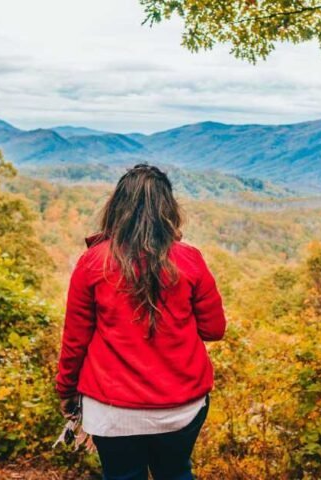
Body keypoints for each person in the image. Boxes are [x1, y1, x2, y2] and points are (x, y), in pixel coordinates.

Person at [55, 164, 227, 480]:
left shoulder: (93, 262)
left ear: (116, 207)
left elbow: (75, 341)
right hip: (181, 407)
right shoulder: (189, 259)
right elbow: (214, 329)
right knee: (175, 472)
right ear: (168, 209)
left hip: (112, 410)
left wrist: (66, 390)